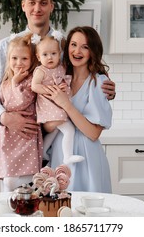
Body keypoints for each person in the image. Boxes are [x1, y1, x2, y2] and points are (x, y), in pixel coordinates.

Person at [0, 0, 116, 141]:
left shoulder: (64, 45)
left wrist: (105, 89)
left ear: (52, 6)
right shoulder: (7, 45)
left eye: (43, 3)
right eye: (32, 3)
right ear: (23, 6)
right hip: (17, 134)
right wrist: (3, 118)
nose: (37, 8)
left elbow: (81, 78)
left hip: (56, 134)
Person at [45, 26, 112, 193]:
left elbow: (93, 133)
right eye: (73, 44)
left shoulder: (98, 82)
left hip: (86, 157)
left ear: (93, 51)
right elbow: (47, 125)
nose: (77, 51)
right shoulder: (59, 77)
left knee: (86, 211)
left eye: (85, 47)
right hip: (60, 154)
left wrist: (66, 104)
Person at [0, 33, 43, 192]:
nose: (19, 63)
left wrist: (15, 83)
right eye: (14, 58)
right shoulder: (4, 82)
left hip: (24, 137)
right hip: (6, 138)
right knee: (8, 179)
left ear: (32, 60)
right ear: (9, 59)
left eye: (24, 59)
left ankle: (35, 183)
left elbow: (20, 102)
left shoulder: (30, 81)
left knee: (15, 180)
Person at [31, 31, 84, 165]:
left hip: (59, 103)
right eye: (45, 54)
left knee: (55, 131)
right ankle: (68, 156)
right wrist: (50, 90)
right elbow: (34, 86)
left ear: (59, 54)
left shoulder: (61, 68)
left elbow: (69, 79)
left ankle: (43, 151)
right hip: (49, 105)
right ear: (38, 57)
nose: (50, 57)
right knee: (69, 129)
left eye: (53, 54)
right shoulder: (41, 70)